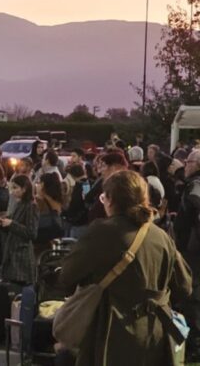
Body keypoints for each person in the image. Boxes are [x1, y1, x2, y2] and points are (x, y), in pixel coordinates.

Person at [59, 170, 193, 366]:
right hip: (155, 336)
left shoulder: (101, 232)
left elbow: (67, 276)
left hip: (111, 333)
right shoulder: (161, 236)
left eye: (103, 197)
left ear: (111, 200)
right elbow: (184, 286)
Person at [175, 149, 200, 360]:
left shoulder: (195, 184)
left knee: (192, 296)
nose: (186, 165)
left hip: (193, 251)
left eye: (189, 162)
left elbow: (194, 201)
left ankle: (194, 346)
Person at [0, 175, 37, 286]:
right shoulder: (19, 204)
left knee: (19, 293)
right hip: (12, 254)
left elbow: (31, 232)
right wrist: (3, 224)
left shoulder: (31, 206)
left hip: (22, 257)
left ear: (24, 189)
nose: (12, 191)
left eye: (15, 188)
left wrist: (12, 224)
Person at [35, 172, 64, 257]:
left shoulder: (39, 201)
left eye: (38, 183)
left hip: (40, 242)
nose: (36, 185)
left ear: (42, 185)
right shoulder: (57, 200)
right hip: (54, 240)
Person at [63, 164, 90, 239]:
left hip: (77, 222)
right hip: (84, 220)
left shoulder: (79, 185)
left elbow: (76, 202)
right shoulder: (88, 183)